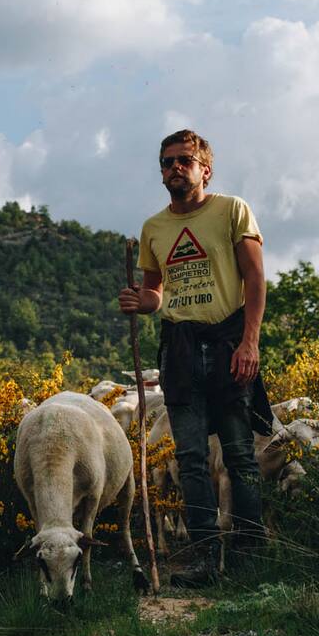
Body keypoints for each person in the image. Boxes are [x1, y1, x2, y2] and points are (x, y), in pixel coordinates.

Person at [118, 129, 271, 586]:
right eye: (167, 162)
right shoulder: (154, 228)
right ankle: (204, 559)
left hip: (228, 344)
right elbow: (155, 293)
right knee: (190, 459)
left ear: (206, 169)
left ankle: (249, 556)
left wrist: (250, 342)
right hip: (180, 349)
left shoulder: (232, 211)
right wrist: (140, 301)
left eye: (184, 160)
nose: (175, 168)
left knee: (240, 456)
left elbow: (255, 278)